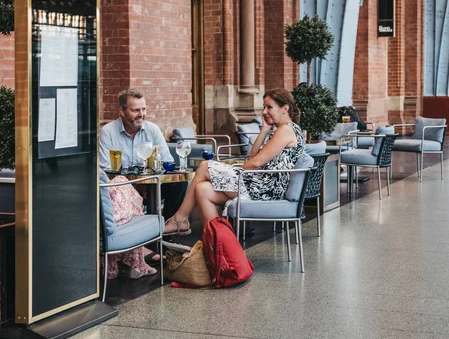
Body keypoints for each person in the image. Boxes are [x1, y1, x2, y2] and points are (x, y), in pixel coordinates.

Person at [163, 88, 306, 234]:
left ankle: (179, 220)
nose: (264, 111)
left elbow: (256, 163)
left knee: (205, 166)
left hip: (265, 189)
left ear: (285, 108)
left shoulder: (286, 130)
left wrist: (235, 171)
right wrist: (264, 129)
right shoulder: (282, 130)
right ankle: (220, 244)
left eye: (269, 107)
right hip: (259, 184)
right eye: (264, 107)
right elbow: (253, 157)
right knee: (202, 189)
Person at [99, 89, 187, 229]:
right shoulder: (108, 132)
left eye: (144, 109)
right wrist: (135, 183)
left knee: (180, 184)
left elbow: (167, 162)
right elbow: (106, 169)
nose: (141, 114)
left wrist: (147, 181)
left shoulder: (153, 130)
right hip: (122, 189)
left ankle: (164, 228)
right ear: (122, 111)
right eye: (136, 110)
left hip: (151, 186)